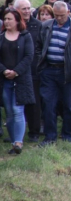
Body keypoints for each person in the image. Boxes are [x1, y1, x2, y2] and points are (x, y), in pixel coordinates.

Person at [37, 1, 71, 147]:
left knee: (69, 105)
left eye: (62, 15)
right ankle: (50, 137)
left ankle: (69, 136)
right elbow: (39, 47)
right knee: (48, 105)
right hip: (49, 70)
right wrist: (40, 66)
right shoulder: (46, 26)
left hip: (68, 72)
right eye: (56, 15)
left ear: (68, 13)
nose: (59, 18)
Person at [0, 9, 35, 155]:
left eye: (10, 19)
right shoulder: (1, 37)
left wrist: (16, 71)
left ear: (17, 21)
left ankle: (19, 142)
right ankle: (14, 142)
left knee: (17, 110)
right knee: (9, 112)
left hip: (21, 79)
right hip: (4, 80)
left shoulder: (25, 36)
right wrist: (4, 71)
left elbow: (29, 56)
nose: (7, 21)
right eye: (5, 19)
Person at [14, 0, 42, 143]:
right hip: (15, 70)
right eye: (23, 9)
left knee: (34, 102)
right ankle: (16, 134)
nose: (26, 11)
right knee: (15, 104)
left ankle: (34, 132)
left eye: (28, 8)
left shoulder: (39, 26)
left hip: (34, 69)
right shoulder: (13, 26)